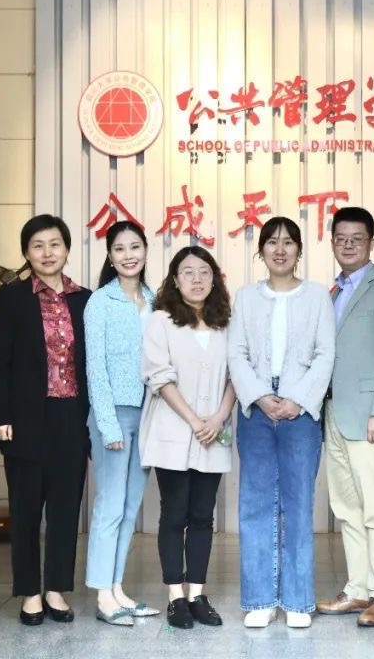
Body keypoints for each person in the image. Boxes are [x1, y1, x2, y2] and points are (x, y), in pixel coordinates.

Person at [227, 217, 335, 629]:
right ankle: (259, 600)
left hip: (301, 410)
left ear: (299, 250)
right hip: (256, 409)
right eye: (271, 242)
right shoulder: (246, 297)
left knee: (297, 504)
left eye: (288, 242)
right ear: (261, 251)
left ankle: (296, 601)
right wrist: (259, 396)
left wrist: (298, 399)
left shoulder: (317, 296)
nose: (280, 249)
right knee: (256, 503)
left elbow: (326, 354)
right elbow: (236, 353)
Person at [0, 214, 91, 626]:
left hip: (72, 416)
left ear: (66, 249)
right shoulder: (12, 298)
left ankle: (56, 590)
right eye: (37, 246)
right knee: (27, 508)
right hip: (25, 417)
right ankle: (30, 591)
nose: (47, 253)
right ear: (26, 253)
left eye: (54, 244)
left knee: (65, 508)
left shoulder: (84, 299)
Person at [314, 207, 374, 628]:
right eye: (341, 238)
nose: (348, 244)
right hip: (334, 414)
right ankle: (358, 588)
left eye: (357, 238)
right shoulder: (332, 292)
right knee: (346, 508)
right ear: (332, 242)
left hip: (371, 418)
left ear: (371, 242)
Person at [140, 246, 236, 629]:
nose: (196, 279)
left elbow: (236, 376)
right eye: (187, 272)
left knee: (202, 516)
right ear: (175, 280)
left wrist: (219, 417)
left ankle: (197, 593)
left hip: (214, 431)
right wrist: (195, 420)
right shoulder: (161, 321)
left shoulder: (226, 323)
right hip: (173, 431)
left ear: (214, 279)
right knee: (174, 513)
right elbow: (159, 376)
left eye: (204, 272)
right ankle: (175, 596)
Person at [83, 221, 158, 625]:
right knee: (110, 505)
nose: (128, 255)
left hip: (150, 415)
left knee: (130, 507)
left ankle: (117, 587)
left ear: (145, 250)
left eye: (135, 247)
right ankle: (101, 594)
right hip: (113, 414)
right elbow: (95, 368)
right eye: (120, 249)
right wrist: (108, 426)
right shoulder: (100, 301)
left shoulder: (155, 300)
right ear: (110, 257)